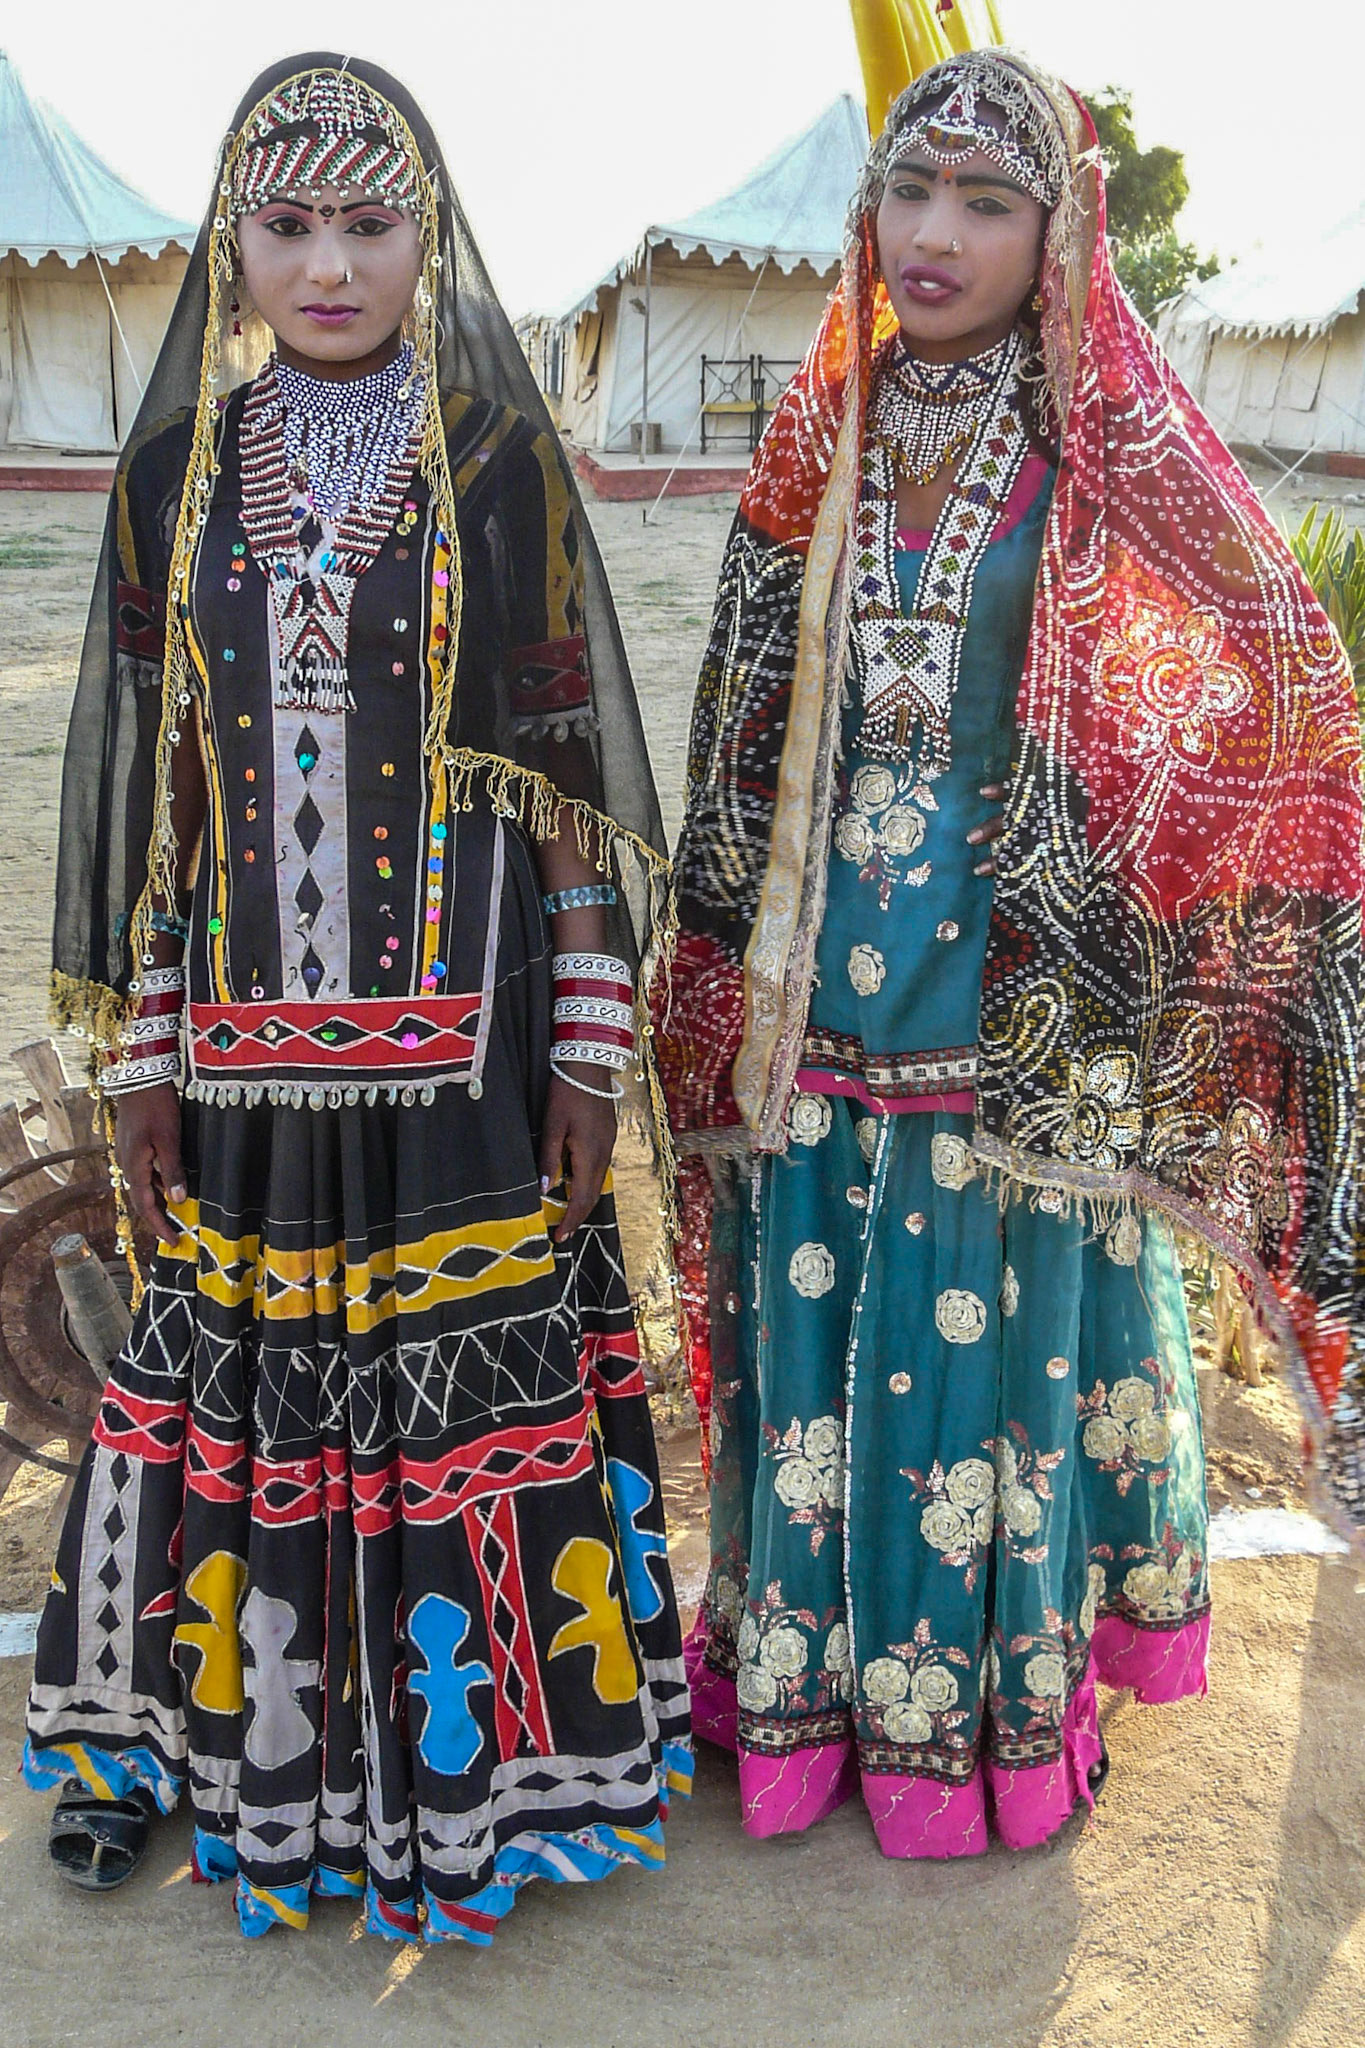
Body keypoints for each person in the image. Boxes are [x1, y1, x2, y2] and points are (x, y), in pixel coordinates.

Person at [656, 48, 1364, 1858]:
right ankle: (804, 1706)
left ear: (1058, 228)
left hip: (1015, 1007)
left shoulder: (1104, 446)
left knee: (988, 1342)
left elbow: (1279, 676)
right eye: (908, 192)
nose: (935, 233)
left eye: (985, 199)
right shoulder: (814, 436)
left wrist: (1148, 858)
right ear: (863, 209)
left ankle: (982, 1730)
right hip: (813, 999)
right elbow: (743, 722)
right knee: (820, 1336)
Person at [25, 54, 691, 1941]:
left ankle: (484, 1774)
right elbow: (168, 798)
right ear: (233, 246)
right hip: (239, 1055)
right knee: (216, 1382)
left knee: (464, 1381)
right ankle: (172, 1749)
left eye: (368, 223)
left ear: (430, 237)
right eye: (289, 223)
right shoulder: (171, 480)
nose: (329, 262)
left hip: (463, 1037)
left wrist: (585, 1036)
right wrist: (144, 1054)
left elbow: (557, 758)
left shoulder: (494, 460)